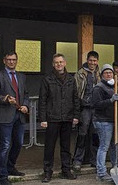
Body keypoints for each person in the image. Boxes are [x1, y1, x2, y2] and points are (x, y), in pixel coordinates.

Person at [0, 52, 30, 185]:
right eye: (9, 60)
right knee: (5, 145)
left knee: (18, 143)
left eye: (14, 60)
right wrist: (5, 98)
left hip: (20, 115)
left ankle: (11, 167)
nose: (12, 62)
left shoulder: (22, 76)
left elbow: (26, 94)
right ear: (4, 61)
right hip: (5, 115)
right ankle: (2, 177)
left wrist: (26, 106)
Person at [39, 53, 80, 183]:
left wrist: (76, 115)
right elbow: (42, 100)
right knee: (49, 146)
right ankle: (47, 171)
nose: (59, 64)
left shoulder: (71, 79)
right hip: (52, 117)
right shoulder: (47, 79)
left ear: (65, 63)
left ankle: (66, 169)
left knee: (66, 146)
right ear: (53, 64)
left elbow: (75, 99)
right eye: (56, 62)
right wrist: (43, 118)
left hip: (67, 117)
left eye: (61, 62)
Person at [73, 50, 100, 171]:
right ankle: (78, 160)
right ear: (87, 60)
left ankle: (94, 159)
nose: (92, 63)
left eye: (94, 61)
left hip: (97, 108)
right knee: (82, 134)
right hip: (85, 108)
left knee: (95, 135)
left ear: (97, 61)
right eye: (90, 60)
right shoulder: (80, 74)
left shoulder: (101, 73)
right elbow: (76, 91)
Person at [91, 64, 118, 182]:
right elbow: (96, 104)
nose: (109, 74)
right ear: (102, 75)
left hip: (113, 120)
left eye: (110, 72)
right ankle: (101, 172)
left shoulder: (114, 86)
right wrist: (110, 101)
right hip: (103, 121)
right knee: (104, 147)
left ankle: (115, 166)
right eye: (106, 73)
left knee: (114, 145)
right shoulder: (99, 87)